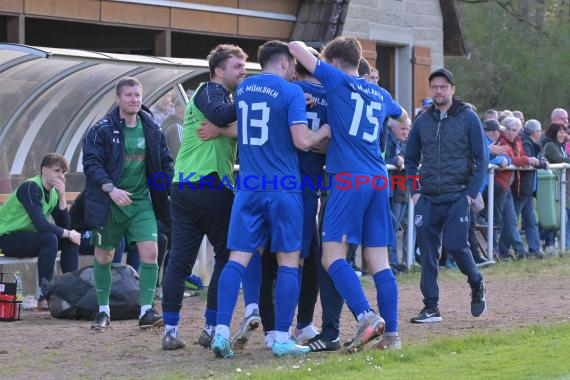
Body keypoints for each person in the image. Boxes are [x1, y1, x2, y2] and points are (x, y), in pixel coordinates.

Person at [211, 40, 331, 359]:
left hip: (248, 185)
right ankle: (280, 338)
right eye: (292, 64)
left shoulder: (245, 88)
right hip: (283, 186)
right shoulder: (291, 91)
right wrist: (325, 131)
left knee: (238, 258)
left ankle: (221, 332)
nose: (295, 69)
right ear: (286, 62)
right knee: (289, 260)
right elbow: (302, 141)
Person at [290, 36, 409, 351]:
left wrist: (316, 59)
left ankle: (365, 315)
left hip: (348, 178)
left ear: (332, 63)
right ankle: (393, 337)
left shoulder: (337, 80)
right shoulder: (381, 92)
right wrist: (401, 127)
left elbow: (295, 47)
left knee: (331, 257)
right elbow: (402, 115)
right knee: (379, 261)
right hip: (378, 178)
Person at [160, 44, 248, 351]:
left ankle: (171, 331)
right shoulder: (211, 91)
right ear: (218, 71)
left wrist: (226, 131)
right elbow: (223, 115)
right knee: (227, 256)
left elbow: (231, 125)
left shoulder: (219, 95)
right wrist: (252, 94)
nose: (243, 72)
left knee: (179, 261)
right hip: (207, 185)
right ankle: (210, 327)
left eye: (243, 66)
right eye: (237, 67)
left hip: (186, 185)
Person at [82, 76, 174, 330]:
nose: (134, 100)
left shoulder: (151, 127)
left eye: (138, 95)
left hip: (141, 202)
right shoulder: (102, 129)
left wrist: (161, 185)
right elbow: (91, 164)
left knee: (152, 252)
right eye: (129, 95)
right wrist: (111, 189)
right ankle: (103, 310)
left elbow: (164, 161)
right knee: (104, 255)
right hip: (110, 203)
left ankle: (146, 310)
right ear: (118, 98)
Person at [255, 47, 330, 350]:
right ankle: (302, 324)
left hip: (272, 182)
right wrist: (320, 139)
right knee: (304, 257)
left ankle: (273, 328)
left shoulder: (281, 90)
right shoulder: (330, 95)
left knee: (271, 259)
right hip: (305, 186)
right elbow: (330, 143)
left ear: (294, 67)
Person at [405, 68, 487, 324]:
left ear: (453, 88)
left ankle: (476, 282)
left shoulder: (468, 118)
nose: (439, 91)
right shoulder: (422, 120)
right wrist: (414, 191)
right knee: (427, 252)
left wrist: (470, 194)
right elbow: (410, 159)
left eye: (443, 86)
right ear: (430, 90)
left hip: (457, 196)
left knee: (455, 246)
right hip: (427, 197)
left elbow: (482, 158)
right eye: (435, 87)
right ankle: (431, 307)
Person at [0, 153, 80, 310]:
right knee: (50, 238)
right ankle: (44, 296)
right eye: (57, 170)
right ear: (44, 170)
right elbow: (41, 225)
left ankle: (73, 292)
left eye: (63, 172)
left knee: (68, 239)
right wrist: (69, 233)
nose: (61, 176)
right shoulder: (30, 187)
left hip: (26, 237)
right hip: (5, 239)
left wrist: (63, 198)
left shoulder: (54, 193)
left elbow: (64, 225)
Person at [495, 117, 540, 260]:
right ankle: (518, 251)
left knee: (511, 221)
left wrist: (533, 159)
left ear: (518, 131)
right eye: (507, 129)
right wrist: (528, 160)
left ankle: (505, 251)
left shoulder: (518, 141)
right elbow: (512, 159)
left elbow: (520, 157)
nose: (510, 132)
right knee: (509, 221)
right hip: (501, 186)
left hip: (511, 186)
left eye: (514, 130)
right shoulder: (501, 142)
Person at [541, 123, 570, 256]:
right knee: (556, 219)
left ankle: (556, 247)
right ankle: (540, 239)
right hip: (551, 187)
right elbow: (560, 160)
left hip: (559, 187)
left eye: (564, 132)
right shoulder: (551, 145)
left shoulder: (560, 146)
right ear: (553, 132)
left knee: (560, 219)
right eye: (560, 132)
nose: (563, 135)